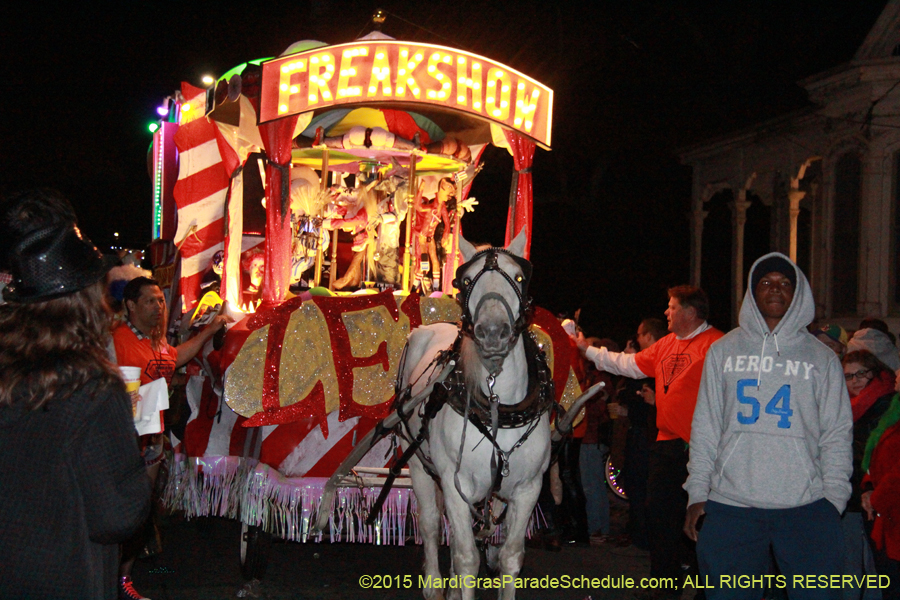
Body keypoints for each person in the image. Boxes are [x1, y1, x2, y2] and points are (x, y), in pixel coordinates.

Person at [0, 189, 151, 599]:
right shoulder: (90, 387)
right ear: (86, 298)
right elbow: (116, 516)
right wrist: (144, 467)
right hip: (60, 577)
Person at [684, 252, 852, 600]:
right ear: (752, 291)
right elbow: (706, 427)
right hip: (732, 506)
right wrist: (698, 493)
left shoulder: (822, 359)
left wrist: (833, 498)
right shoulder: (723, 351)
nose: (775, 289)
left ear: (798, 293)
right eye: (765, 282)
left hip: (806, 507)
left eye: (784, 283)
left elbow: (837, 432)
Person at [576, 286, 723, 596]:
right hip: (665, 445)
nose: (666, 313)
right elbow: (626, 364)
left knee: (703, 521)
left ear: (690, 312)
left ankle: (703, 587)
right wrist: (586, 350)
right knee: (659, 517)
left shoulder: (717, 345)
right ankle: (664, 586)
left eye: (671, 307)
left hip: (702, 449)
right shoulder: (666, 344)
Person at [112, 276, 229, 600]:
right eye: (150, 301)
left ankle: (124, 580)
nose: (158, 307)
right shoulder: (117, 341)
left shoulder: (155, 340)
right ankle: (105, 577)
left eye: (161, 301)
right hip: (124, 443)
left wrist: (208, 331)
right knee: (120, 514)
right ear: (131, 306)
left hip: (151, 439)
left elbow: (174, 357)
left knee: (140, 512)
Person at [841, 349, 894, 600]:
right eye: (849, 376)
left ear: (875, 371)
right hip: (854, 495)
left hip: (877, 497)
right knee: (853, 564)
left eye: (861, 374)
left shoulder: (887, 405)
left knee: (875, 567)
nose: (855, 381)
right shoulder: (849, 408)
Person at [613, 317, 668, 549]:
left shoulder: (658, 365)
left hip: (652, 437)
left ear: (648, 337)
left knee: (645, 488)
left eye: (639, 335)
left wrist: (651, 402)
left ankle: (646, 538)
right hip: (641, 434)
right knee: (636, 486)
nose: (636, 339)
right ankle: (639, 534)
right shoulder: (645, 367)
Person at [861, 389, 900, 600]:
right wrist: (868, 488)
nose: (896, 373)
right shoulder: (894, 408)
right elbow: (875, 454)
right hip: (887, 515)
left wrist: (876, 498)